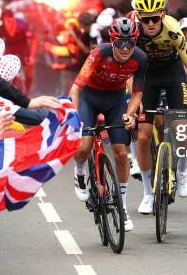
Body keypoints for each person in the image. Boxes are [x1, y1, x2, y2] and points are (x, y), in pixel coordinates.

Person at [69, 17, 147, 232]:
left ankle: (121, 206)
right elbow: (76, 89)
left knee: (122, 153)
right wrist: (74, 116)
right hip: (89, 98)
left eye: (129, 42)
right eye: (120, 43)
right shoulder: (99, 52)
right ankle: (80, 170)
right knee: (84, 146)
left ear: (135, 41)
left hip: (115, 101)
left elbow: (137, 94)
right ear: (112, 41)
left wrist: (130, 114)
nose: (125, 48)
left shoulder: (140, 58)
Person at [132, 0, 187, 214]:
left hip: (172, 74)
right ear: (138, 17)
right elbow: (128, 68)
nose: (150, 23)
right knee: (142, 137)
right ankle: (148, 193)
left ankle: (181, 169)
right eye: (145, 19)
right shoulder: (134, 32)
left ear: (162, 15)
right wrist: (134, 99)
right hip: (147, 76)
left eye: (155, 18)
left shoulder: (173, 29)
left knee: (180, 128)